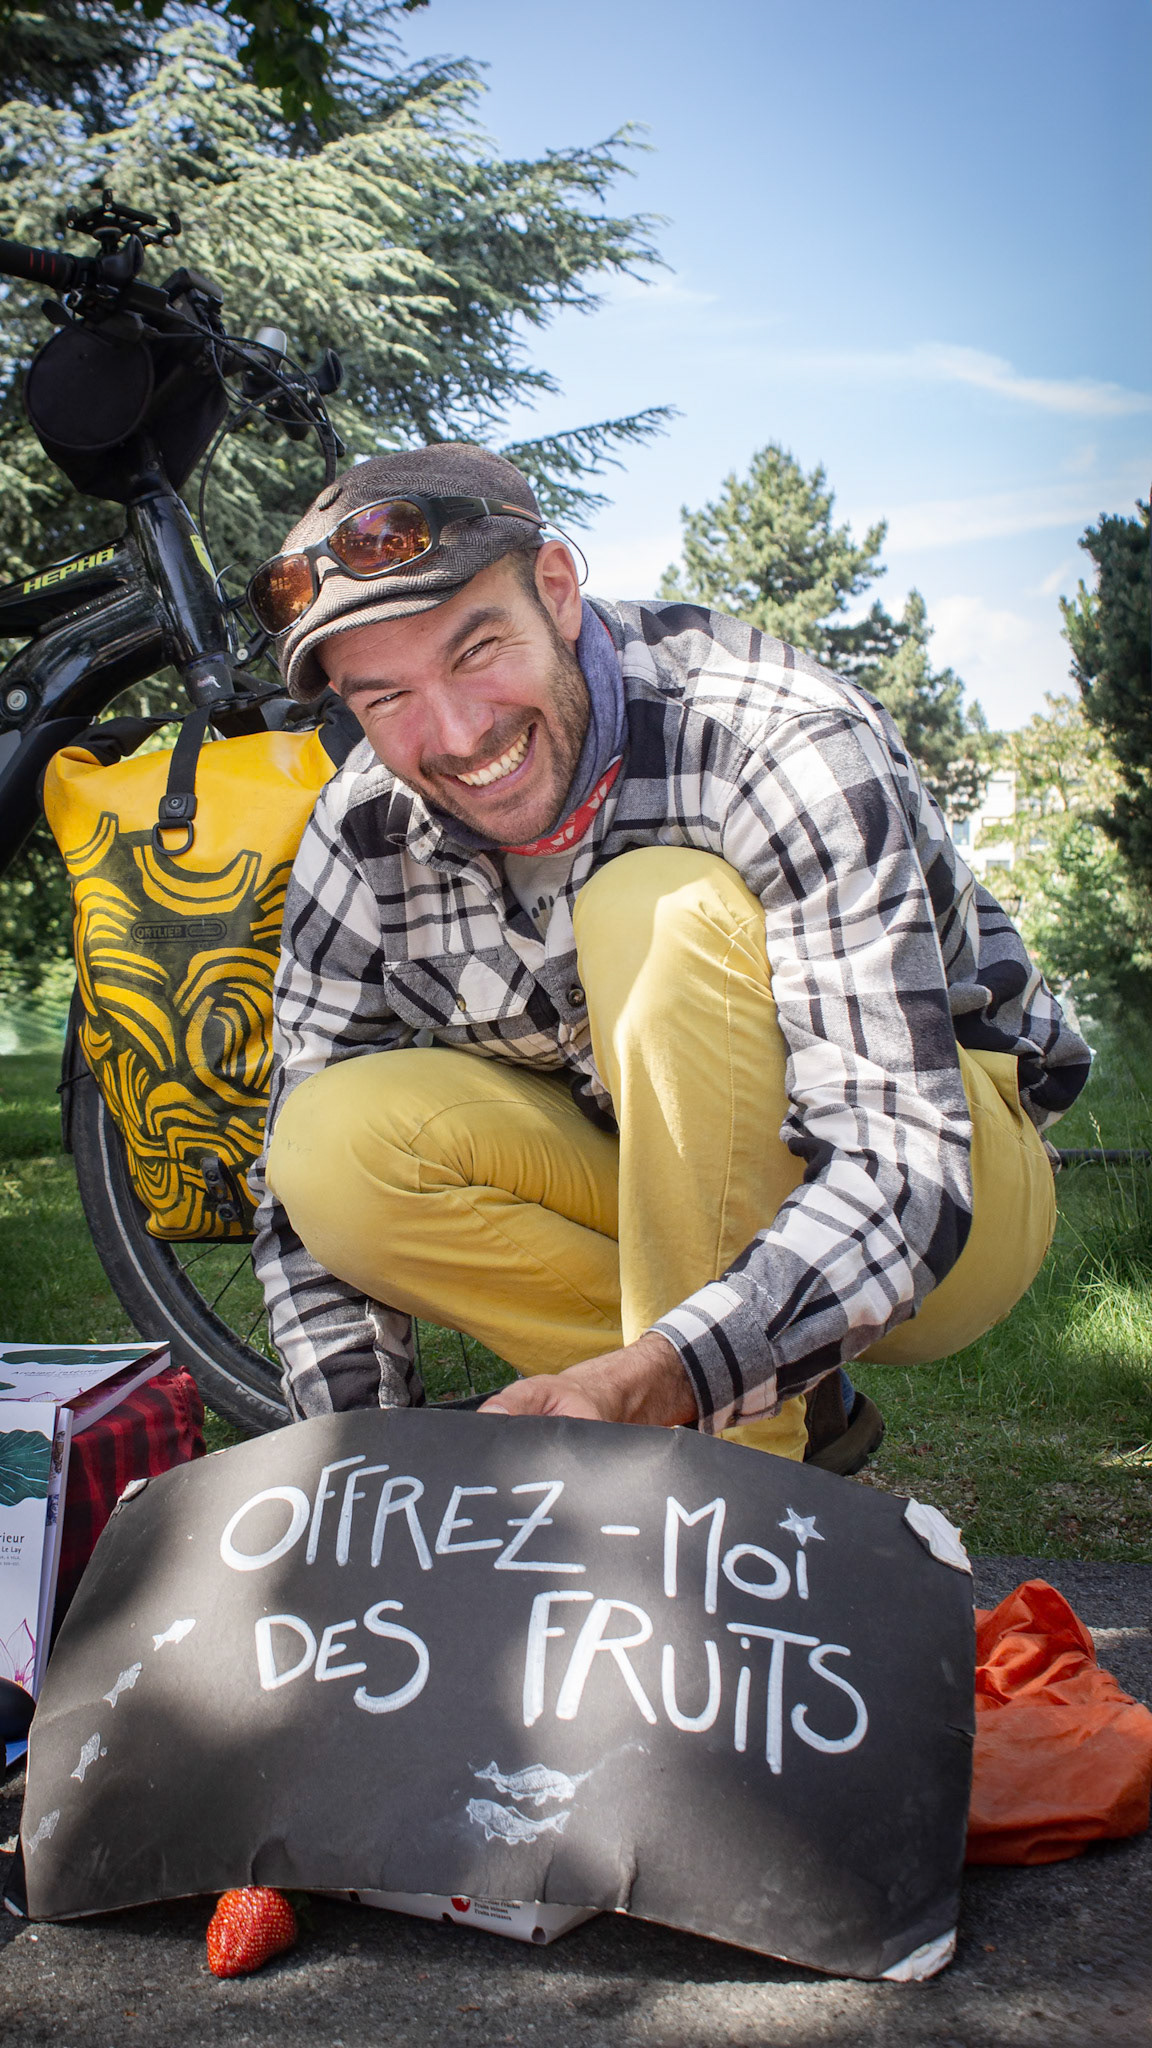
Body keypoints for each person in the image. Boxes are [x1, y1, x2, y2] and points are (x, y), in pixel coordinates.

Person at [248, 443, 1090, 1468]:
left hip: (945, 1183)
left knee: (656, 908)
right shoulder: (359, 826)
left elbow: (900, 1160)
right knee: (323, 1146)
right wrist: (354, 1468)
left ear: (557, 590)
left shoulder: (775, 737)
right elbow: (297, 1219)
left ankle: (744, 1479)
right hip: (640, 1174)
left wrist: (665, 1381)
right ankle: (774, 1380)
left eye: (476, 651)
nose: (458, 734)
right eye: (385, 698)